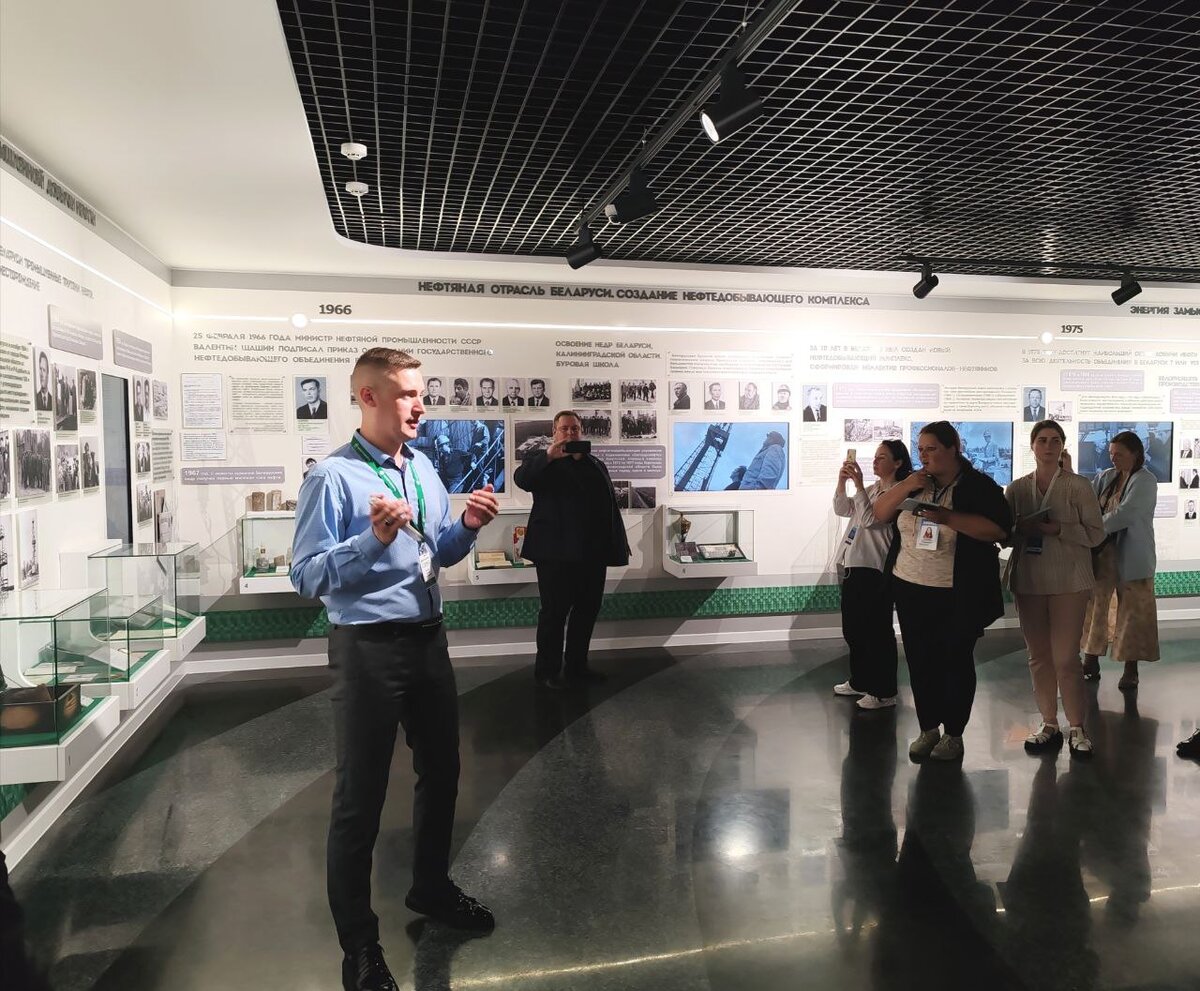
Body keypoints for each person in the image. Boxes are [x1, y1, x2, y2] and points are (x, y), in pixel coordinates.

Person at [291, 348, 501, 990]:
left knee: (443, 772)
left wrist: (467, 525)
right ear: (368, 398)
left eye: (421, 393)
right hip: (367, 649)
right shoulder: (333, 478)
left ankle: (430, 887)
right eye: (408, 394)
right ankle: (359, 946)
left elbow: (437, 549)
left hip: (428, 640)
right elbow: (306, 577)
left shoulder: (424, 468)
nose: (420, 406)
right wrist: (372, 540)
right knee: (361, 798)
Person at [875, 421, 1012, 762]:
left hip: (956, 591)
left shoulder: (978, 486)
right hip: (909, 585)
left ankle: (953, 733)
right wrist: (907, 484)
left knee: (955, 662)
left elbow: (998, 531)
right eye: (920, 449)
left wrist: (949, 518)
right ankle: (928, 729)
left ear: (953, 449)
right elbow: (880, 513)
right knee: (920, 661)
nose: (924, 455)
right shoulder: (915, 483)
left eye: (932, 449)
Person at [1004, 421, 1105, 757]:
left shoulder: (1078, 486)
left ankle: (1077, 726)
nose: (1048, 446)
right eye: (1042, 440)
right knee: (1038, 657)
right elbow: (1005, 535)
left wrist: (1058, 528)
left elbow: (1096, 534)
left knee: (1065, 658)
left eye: (1055, 440)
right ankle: (1049, 723)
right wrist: (1020, 527)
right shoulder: (1017, 488)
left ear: (1063, 445)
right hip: (1029, 579)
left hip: (1069, 579)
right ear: (1032, 445)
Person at [514, 410, 629, 688]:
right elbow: (522, 479)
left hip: (591, 554)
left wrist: (617, 543)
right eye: (564, 429)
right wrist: (549, 456)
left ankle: (578, 667)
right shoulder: (543, 462)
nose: (569, 433)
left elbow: (608, 507)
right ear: (554, 432)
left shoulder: (595, 463)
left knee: (587, 611)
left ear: (582, 431)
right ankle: (547, 672)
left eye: (574, 428)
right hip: (555, 555)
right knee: (554, 614)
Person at [832, 441, 912, 710]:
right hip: (855, 564)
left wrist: (858, 486)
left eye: (882, 457)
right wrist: (843, 482)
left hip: (876, 567)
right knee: (854, 629)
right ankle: (861, 680)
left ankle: (884, 690)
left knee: (876, 631)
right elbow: (842, 509)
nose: (875, 461)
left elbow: (870, 520)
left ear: (898, 463)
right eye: (875, 457)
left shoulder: (898, 493)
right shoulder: (874, 489)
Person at [1081, 431, 1159, 690]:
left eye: (1120, 454)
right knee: (1096, 607)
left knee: (1132, 613)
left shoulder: (1146, 480)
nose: (1113, 459)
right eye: (1111, 454)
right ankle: (1090, 660)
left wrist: (1093, 528)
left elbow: (1127, 513)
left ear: (1135, 454)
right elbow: (1089, 505)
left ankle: (1130, 669)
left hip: (1132, 556)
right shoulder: (1105, 477)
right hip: (1102, 556)